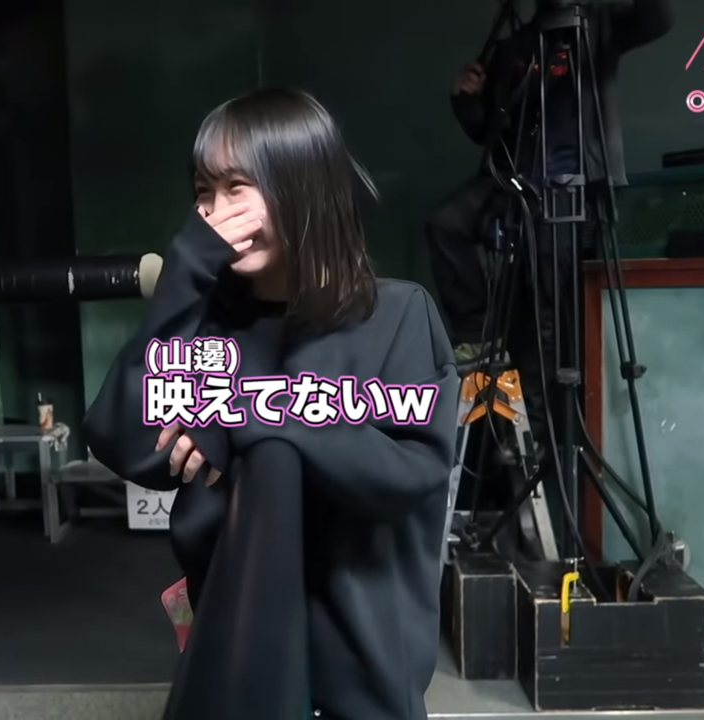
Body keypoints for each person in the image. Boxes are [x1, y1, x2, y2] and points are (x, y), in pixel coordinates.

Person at [82, 88, 460, 720]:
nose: (214, 213)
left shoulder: (397, 316)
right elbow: (121, 438)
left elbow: (407, 477)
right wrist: (183, 279)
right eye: (203, 193)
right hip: (234, 666)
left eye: (236, 187)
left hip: (363, 677)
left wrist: (248, 417)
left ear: (302, 186)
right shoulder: (207, 330)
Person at [425, 0, 672, 482]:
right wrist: (467, 99)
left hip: (571, 190)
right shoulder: (514, 46)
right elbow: (486, 130)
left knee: (545, 316)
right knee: (447, 224)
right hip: (512, 181)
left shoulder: (598, 24)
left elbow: (657, 18)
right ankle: (479, 338)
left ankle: (542, 438)